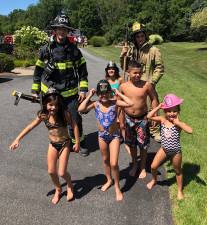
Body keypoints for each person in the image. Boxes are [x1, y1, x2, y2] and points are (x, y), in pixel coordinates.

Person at [31, 12, 89, 156]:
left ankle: (77, 142)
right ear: (55, 30)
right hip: (50, 93)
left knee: (74, 118)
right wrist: (35, 89)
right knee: (53, 119)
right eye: (59, 28)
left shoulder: (74, 50)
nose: (62, 31)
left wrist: (83, 90)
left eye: (65, 29)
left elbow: (83, 71)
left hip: (69, 93)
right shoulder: (46, 49)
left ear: (68, 31)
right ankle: (59, 142)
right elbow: (38, 70)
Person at [9, 88, 80, 204]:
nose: (53, 108)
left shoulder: (64, 114)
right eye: (50, 105)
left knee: (62, 172)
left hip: (65, 144)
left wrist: (77, 142)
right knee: (51, 171)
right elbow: (30, 127)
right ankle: (58, 189)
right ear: (45, 103)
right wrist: (17, 139)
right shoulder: (43, 115)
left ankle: (70, 185)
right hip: (52, 145)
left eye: (56, 105)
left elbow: (75, 126)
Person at [78, 80, 133, 201]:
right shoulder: (96, 103)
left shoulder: (115, 102)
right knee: (105, 160)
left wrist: (118, 92)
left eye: (106, 93)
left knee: (114, 163)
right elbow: (80, 109)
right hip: (102, 136)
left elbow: (130, 103)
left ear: (110, 92)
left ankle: (117, 187)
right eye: (100, 93)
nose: (103, 96)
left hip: (114, 136)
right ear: (97, 93)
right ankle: (109, 180)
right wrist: (89, 96)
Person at [120, 22, 164, 142]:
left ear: (145, 36)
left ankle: (154, 131)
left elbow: (159, 68)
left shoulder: (154, 50)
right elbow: (125, 68)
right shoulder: (131, 50)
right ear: (134, 38)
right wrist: (123, 56)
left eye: (141, 36)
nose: (139, 38)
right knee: (134, 105)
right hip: (133, 84)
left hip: (147, 84)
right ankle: (133, 126)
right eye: (137, 36)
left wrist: (152, 82)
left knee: (152, 106)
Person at [146, 94, 193, 200]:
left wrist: (178, 122)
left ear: (178, 111)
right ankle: (154, 180)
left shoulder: (178, 124)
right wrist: (158, 107)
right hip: (164, 149)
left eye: (174, 111)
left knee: (178, 171)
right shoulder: (162, 119)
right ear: (165, 111)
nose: (171, 113)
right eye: (168, 111)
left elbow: (190, 130)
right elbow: (149, 116)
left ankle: (180, 190)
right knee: (153, 166)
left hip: (176, 152)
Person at [119, 61, 159, 179]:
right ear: (128, 72)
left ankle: (142, 167)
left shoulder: (147, 85)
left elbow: (154, 99)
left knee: (143, 145)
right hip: (128, 119)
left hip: (143, 119)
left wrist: (154, 114)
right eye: (135, 73)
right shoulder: (123, 86)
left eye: (140, 73)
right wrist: (120, 121)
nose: (138, 75)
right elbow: (119, 105)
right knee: (131, 144)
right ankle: (135, 164)